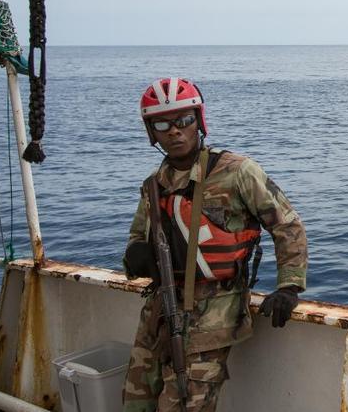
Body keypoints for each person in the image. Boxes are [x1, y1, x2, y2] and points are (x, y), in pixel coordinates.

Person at [121, 77, 308, 412]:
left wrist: (289, 285)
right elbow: (137, 238)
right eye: (163, 123)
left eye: (184, 120)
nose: (175, 131)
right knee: (135, 404)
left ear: (199, 121)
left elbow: (287, 225)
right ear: (152, 131)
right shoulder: (152, 185)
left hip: (212, 320)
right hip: (157, 317)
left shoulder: (237, 172)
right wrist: (135, 255)